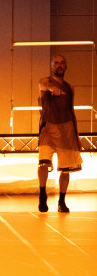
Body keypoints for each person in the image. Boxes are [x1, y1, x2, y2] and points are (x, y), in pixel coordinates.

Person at [38, 54, 82, 213]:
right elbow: (42, 84)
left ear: (66, 66)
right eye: (56, 63)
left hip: (67, 129)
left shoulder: (70, 87)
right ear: (51, 65)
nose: (59, 65)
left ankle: (61, 201)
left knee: (66, 169)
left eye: (62, 63)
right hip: (48, 127)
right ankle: (42, 195)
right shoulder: (46, 81)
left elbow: (71, 109)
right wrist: (52, 89)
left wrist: (76, 135)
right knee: (43, 163)